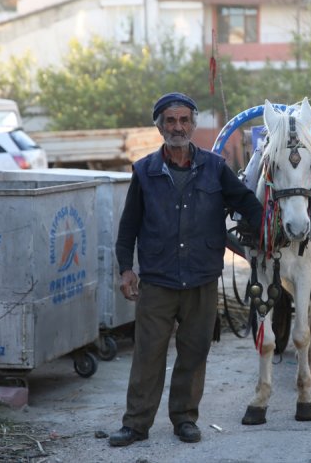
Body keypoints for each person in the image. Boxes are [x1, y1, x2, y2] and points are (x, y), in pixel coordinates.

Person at [109, 92, 263, 447]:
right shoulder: (144, 171)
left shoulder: (215, 167)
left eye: (184, 120)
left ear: (193, 125)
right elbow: (128, 226)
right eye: (170, 120)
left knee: (194, 352)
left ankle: (184, 419)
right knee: (148, 354)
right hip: (159, 280)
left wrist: (268, 229)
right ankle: (135, 424)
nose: (177, 127)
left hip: (201, 278)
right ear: (160, 126)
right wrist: (125, 270)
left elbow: (245, 202)